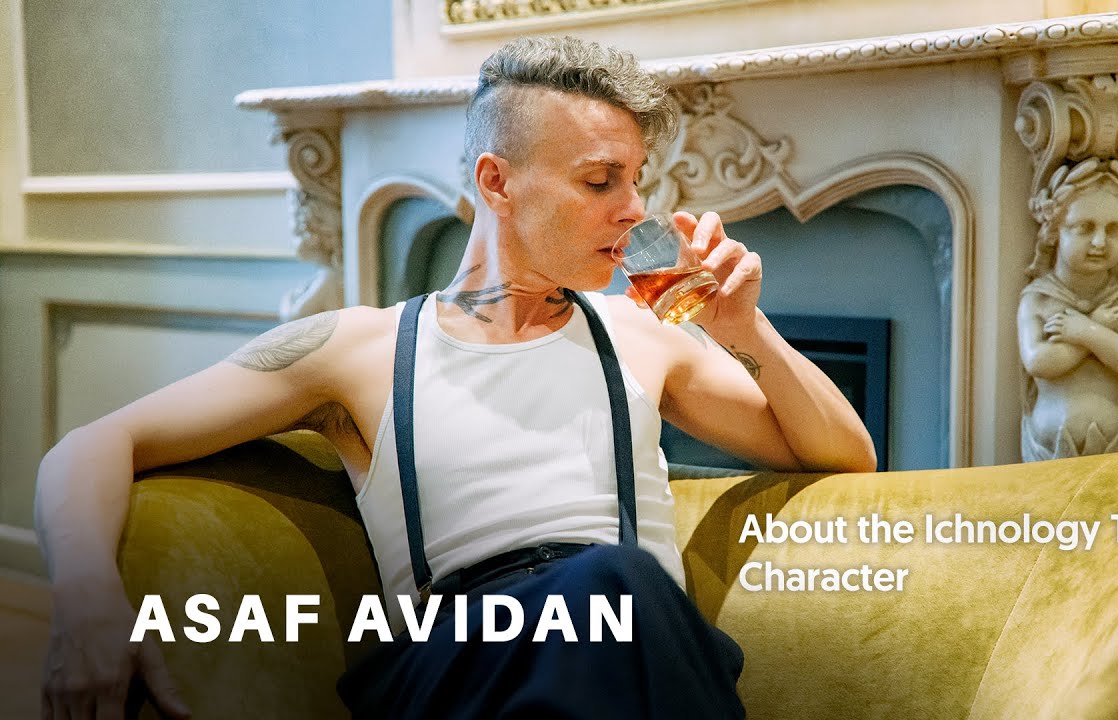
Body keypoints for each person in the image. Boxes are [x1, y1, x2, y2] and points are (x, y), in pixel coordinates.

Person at [34, 35, 877, 719]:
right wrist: (87, 604)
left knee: (622, 589)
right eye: (599, 180)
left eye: (635, 181)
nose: (632, 209)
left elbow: (846, 457)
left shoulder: (641, 334)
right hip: (458, 667)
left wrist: (744, 329)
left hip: (643, 646)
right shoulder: (359, 350)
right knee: (612, 584)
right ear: (496, 182)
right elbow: (94, 446)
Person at [1018, 157, 1118, 461]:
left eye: (1115, 229)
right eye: (1084, 227)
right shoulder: (1038, 299)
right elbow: (1038, 361)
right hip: (1048, 449)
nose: (1100, 242)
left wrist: (1084, 331)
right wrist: (1094, 329)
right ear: (1054, 231)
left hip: (1115, 446)